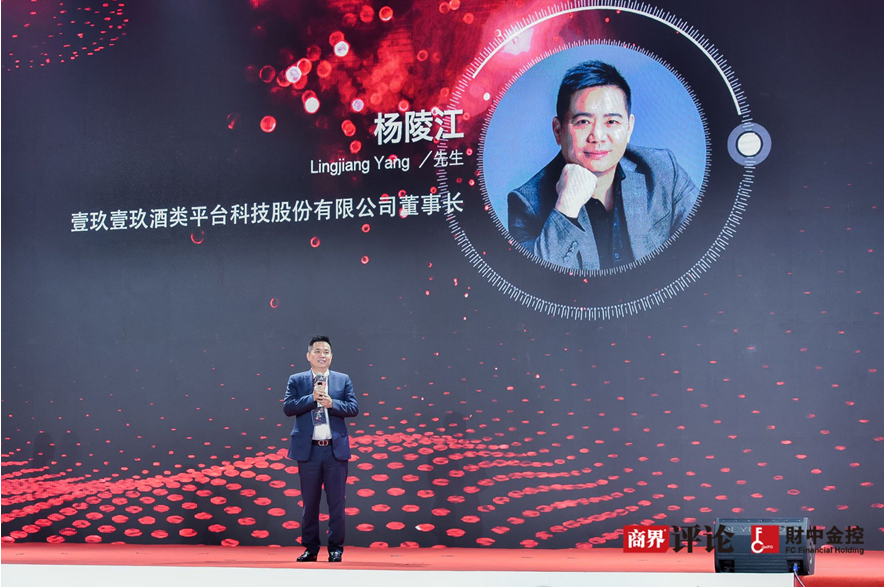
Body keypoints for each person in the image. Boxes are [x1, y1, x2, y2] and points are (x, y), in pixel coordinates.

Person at [508, 60, 699, 271]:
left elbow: (706, 245)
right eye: (583, 122)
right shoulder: (527, 203)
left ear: (629, 128)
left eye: (611, 122)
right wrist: (566, 209)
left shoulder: (663, 170)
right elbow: (532, 281)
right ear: (558, 131)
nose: (597, 136)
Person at [283, 335, 359, 562]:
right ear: (308, 356)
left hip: (335, 450)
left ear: (331, 356)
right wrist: (311, 399)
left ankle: (335, 548)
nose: (322, 355)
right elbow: (288, 407)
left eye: (326, 352)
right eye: (317, 351)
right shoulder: (296, 380)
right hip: (309, 451)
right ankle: (311, 548)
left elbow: (353, 408)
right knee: (310, 503)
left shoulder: (342, 380)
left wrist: (332, 403)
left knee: (337, 503)